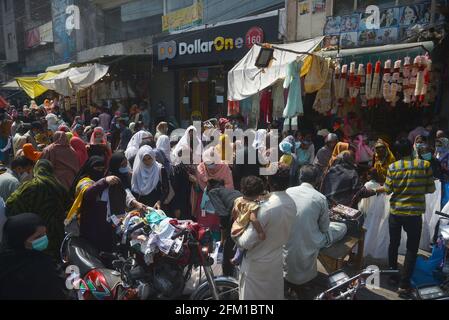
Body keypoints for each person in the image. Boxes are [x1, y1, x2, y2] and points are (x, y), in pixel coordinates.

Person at [375, 139, 435, 298]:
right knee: (411, 248)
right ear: (411, 150)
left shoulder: (393, 167)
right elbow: (431, 189)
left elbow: (388, 190)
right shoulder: (425, 165)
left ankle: (393, 275)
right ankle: (404, 284)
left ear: (398, 153)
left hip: (396, 212)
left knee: (393, 244)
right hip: (414, 214)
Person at [235, 167, 296, 300]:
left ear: (270, 182)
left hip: (257, 266)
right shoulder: (291, 203)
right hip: (276, 262)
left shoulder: (265, 208)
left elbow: (246, 242)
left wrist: (236, 234)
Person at [284, 165, 347, 294]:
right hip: (312, 240)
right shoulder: (319, 198)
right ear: (317, 180)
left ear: (300, 177)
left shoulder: (288, 191)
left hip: (286, 241)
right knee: (342, 227)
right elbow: (324, 228)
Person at [6, 160, 69, 258]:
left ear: (36, 170)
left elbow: (10, 204)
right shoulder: (59, 187)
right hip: (56, 234)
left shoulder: (30, 186)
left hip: (33, 235)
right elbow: (68, 209)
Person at [0, 213, 66, 299]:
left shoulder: (5, 260)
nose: (44, 239)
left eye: (45, 233)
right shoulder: (42, 266)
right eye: (38, 237)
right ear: (20, 240)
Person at [67, 156, 120, 252]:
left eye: (102, 169)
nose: (100, 171)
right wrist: (104, 182)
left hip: (104, 224)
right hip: (89, 224)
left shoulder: (106, 179)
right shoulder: (84, 181)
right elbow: (88, 193)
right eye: (97, 169)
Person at [230, 176, 268, 265]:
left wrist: (237, 222)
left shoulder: (238, 200)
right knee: (242, 248)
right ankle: (236, 258)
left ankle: (236, 252)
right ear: (258, 193)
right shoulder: (253, 206)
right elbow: (253, 219)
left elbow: (234, 213)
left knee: (239, 245)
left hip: (235, 227)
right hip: (242, 230)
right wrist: (260, 232)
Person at [131, 146, 168, 210]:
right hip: (142, 207)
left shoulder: (160, 169)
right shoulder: (137, 171)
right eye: (144, 159)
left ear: (153, 157)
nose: (147, 162)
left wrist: (160, 201)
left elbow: (166, 188)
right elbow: (134, 190)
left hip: (156, 206)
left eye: (149, 158)